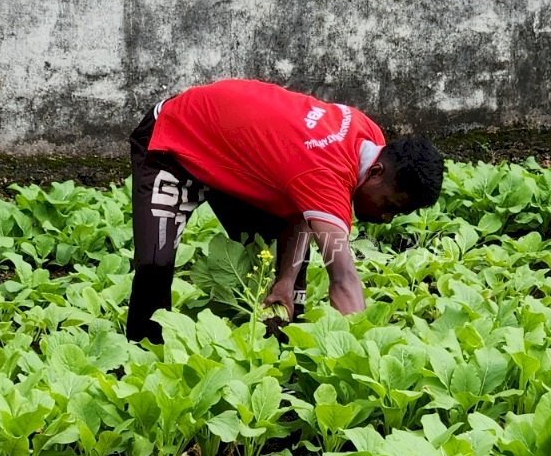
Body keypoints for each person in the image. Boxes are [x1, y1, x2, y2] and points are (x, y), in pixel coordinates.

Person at [125, 78, 445, 344]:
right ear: (375, 173)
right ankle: (144, 357)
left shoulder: (370, 137)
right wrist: (360, 354)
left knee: (288, 258)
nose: (386, 218)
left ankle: (283, 343)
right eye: (390, 206)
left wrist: (286, 279)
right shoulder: (326, 173)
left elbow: (305, 204)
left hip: (234, 161)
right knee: (154, 264)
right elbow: (344, 278)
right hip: (174, 138)